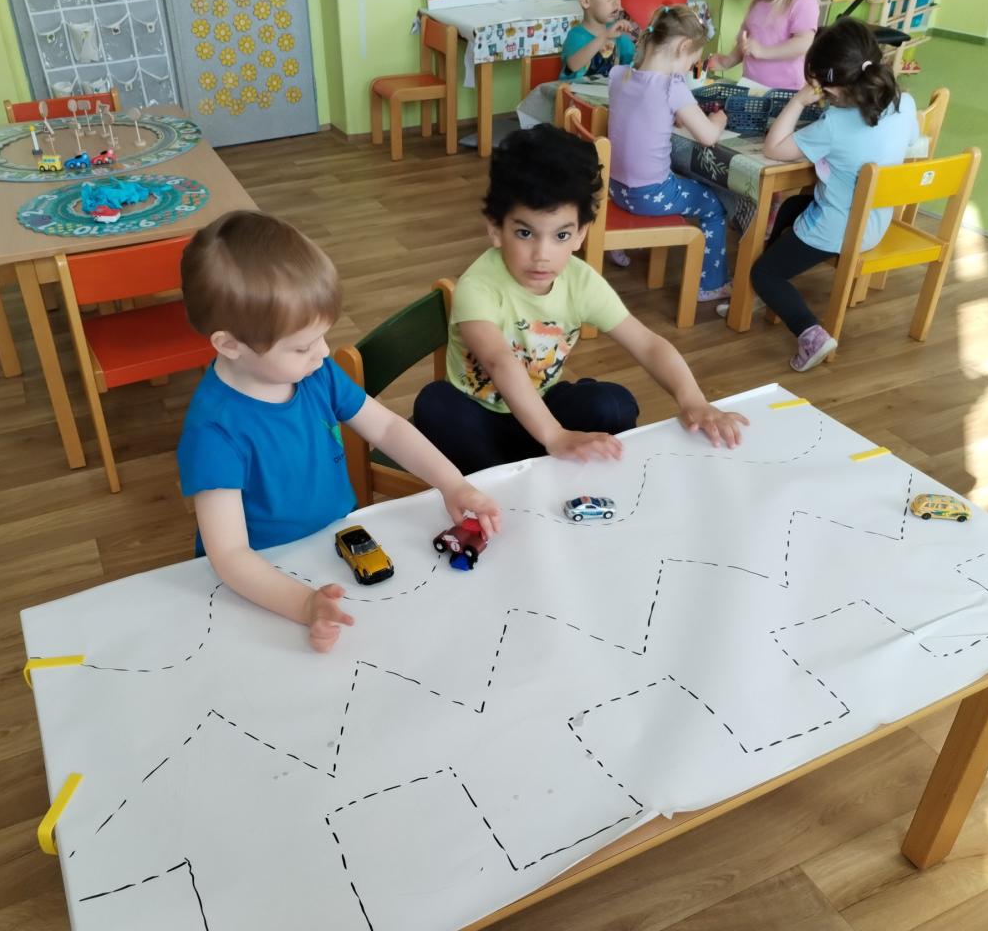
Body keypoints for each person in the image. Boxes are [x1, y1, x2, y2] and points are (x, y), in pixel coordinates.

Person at [177, 211, 501, 653]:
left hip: (337, 547)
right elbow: (230, 557)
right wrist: (302, 604)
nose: (324, 352)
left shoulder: (315, 372)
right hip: (266, 584)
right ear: (230, 344)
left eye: (322, 336)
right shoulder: (214, 433)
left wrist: (452, 483)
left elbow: (387, 426)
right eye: (302, 346)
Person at [412, 124, 747, 476]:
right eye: (525, 233)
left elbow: (648, 344)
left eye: (561, 235)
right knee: (436, 405)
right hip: (481, 419)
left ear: (580, 234)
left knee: (613, 403)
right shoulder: (478, 286)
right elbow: (499, 363)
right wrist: (554, 435)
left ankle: (539, 467)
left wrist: (693, 400)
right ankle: (511, 477)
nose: (542, 255)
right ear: (496, 228)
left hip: (542, 408)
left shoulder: (581, 281)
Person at [746, 17, 919, 371]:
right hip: (875, 221)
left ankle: (811, 334)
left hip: (839, 229)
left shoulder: (834, 125)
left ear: (832, 89)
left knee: (764, 274)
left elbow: (773, 147)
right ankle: (777, 297)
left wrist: (798, 101)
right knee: (793, 206)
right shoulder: (904, 103)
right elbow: (913, 141)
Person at [607, 4, 732, 303]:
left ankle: (618, 240)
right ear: (683, 47)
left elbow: (642, 114)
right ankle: (710, 284)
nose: (690, 69)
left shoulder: (619, 75)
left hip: (615, 190)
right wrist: (719, 120)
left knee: (677, 175)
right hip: (649, 196)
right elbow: (708, 137)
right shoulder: (671, 86)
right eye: (692, 61)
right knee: (713, 205)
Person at [706, 0, 819, 90]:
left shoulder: (803, 0)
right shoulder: (758, 0)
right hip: (750, 87)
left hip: (784, 92)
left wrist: (763, 51)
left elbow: (804, 43)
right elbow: (745, 43)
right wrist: (726, 62)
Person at [560, 0, 636, 81]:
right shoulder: (576, 36)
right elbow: (573, 65)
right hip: (572, 91)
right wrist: (605, 36)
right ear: (586, 0)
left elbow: (636, 61)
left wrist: (649, 43)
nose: (617, 4)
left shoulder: (617, 35)